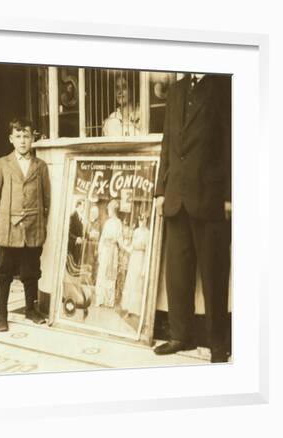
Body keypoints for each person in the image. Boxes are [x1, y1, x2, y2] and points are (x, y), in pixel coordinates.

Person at [153, 73, 231, 363]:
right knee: (177, 273)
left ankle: (218, 345)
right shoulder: (175, 91)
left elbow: (231, 142)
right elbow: (167, 143)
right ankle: (180, 336)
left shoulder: (224, 85)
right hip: (175, 197)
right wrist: (160, 190)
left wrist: (230, 195)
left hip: (209, 197)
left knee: (214, 274)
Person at [0, 117, 51, 332]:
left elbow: (46, 198)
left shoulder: (41, 166)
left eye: (27, 136)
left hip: (32, 227)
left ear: (33, 138)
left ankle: (31, 309)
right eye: (18, 136)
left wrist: (41, 223)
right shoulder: (2, 164)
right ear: (11, 139)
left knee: (31, 271)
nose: (23, 141)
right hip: (7, 228)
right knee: (3, 272)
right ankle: (2, 314)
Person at [94, 199, 126, 308]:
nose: (109, 211)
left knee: (111, 275)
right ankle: (100, 299)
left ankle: (109, 301)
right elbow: (102, 238)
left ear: (113, 210)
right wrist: (99, 251)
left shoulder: (118, 223)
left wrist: (125, 248)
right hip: (106, 250)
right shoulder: (107, 222)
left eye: (110, 209)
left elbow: (120, 240)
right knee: (102, 273)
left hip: (113, 251)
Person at [120, 214, 149, 317]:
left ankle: (136, 310)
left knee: (138, 284)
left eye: (144, 220)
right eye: (140, 220)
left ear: (146, 220)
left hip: (141, 259)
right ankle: (128, 309)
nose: (142, 222)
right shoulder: (136, 231)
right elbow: (132, 246)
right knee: (131, 282)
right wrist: (125, 247)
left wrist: (144, 268)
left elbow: (147, 252)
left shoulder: (148, 233)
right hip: (134, 258)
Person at [68, 199, 85, 265]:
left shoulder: (80, 217)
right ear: (79, 206)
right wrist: (76, 238)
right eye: (83, 205)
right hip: (72, 246)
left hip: (77, 246)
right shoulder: (72, 216)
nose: (84, 208)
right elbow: (68, 232)